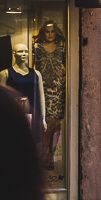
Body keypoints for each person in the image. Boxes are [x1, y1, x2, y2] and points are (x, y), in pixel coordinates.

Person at [33, 20, 66, 170]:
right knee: (46, 123)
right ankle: (42, 156)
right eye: (47, 31)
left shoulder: (62, 48)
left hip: (58, 89)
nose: (50, 34)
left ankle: (50, 157)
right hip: (43, 88)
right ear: (43, 33)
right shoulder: (37, 47)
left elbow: (67, 66)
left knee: (56, 124)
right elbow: (34, 67)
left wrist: (64, 71)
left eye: (53, 31)